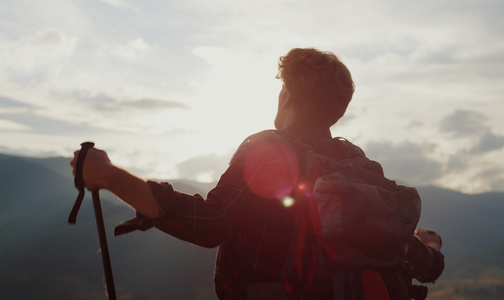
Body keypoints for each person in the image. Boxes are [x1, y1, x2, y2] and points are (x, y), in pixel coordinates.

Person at [71, 48, 444, 299]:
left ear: (286, 97)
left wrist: (106, 174)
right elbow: (405, 254)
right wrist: (428, 250)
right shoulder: (359, 166)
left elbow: (212, 222)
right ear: (338, 110)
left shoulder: (271, 151)